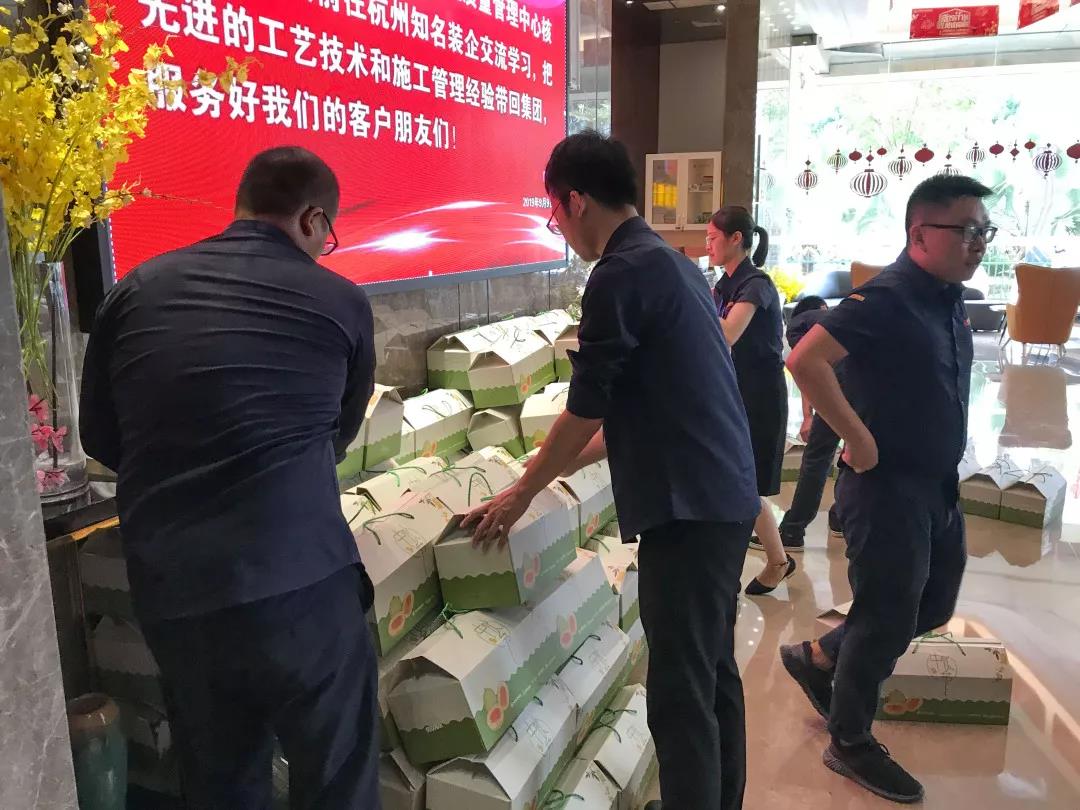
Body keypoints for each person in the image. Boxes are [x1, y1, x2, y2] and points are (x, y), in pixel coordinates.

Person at [465, 131, 760, 810]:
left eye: (554, 213)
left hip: (689, 510)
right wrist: (540, 470)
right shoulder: (670, 262)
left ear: (575, 201)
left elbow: (587, 406)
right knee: (711, 671)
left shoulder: (620, 273)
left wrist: (521, 492)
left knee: (680, 691)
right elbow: (637, 410)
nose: (560, 227)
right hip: (719, 493)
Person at [80, 147, 380, 810]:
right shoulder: (341, 300)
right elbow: (337, 435)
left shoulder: (136, 289)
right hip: (303, 586)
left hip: (180, 594)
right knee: (337, 781)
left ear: (241, 205)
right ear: (312, 219)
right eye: (326, 236)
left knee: (220, 783)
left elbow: (99, 437)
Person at [780, 174, 990, 804]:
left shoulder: (947, 297)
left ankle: (819, 656)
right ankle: (849, 740)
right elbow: (805, 359)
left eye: (985, 230)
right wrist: (857, 436)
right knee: (885, 617)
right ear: (919, 234)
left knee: (933, 604)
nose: (979, 243)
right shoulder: (887, 297)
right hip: (886, 489)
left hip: (936, 485)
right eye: (967, 230)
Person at [707, 206, 796, 595]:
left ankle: (776, 561)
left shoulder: (756, 284)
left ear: (736, 239)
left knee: (746, 483)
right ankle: (777, 560)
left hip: (760, 397)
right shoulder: (723, 284)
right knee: (740, 481)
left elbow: (727, 334)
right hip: (733, 393)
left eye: (713, 238)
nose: (707, 245)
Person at [776, 295, 844, 550]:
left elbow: (806, 367)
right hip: (868, 389)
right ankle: (841, 517)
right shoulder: (839, 316)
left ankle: (793, 531)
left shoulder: (799, 323)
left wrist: (808, 416)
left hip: (838, 388)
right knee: (853, 456)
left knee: (817, 458)